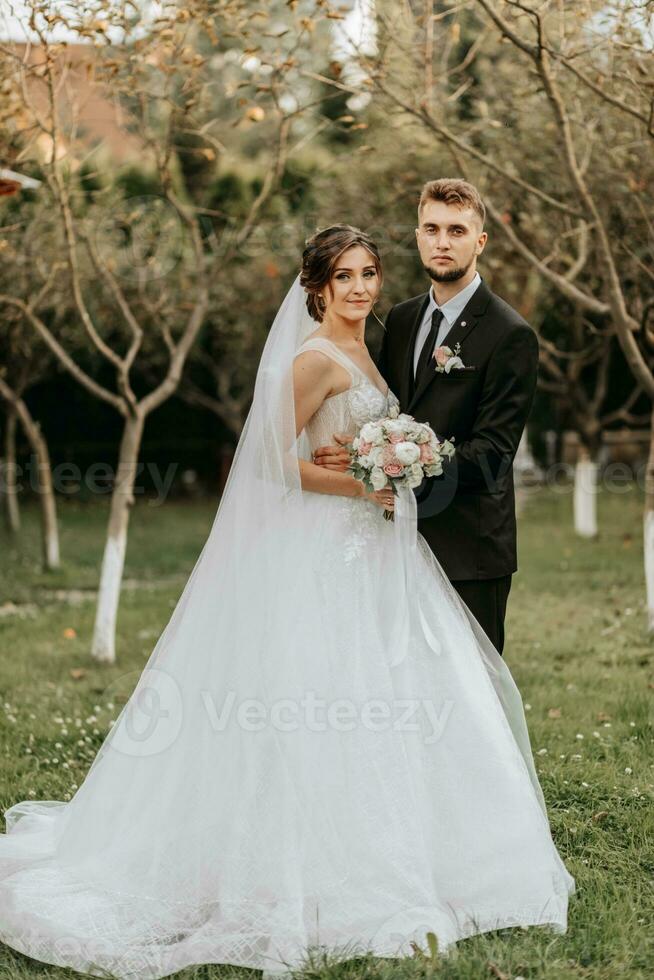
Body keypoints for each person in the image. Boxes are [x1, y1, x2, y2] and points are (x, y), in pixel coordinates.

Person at [0, 225, 574, 980]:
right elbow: (268, 463)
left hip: (379, 552)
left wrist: (395, 462)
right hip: (327, 552)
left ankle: (443, 852)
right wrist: (366, 481)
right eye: (345, 277)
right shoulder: (314, 358)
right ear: (317, 287)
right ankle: (307, 871)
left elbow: (388, 433)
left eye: (370, 273)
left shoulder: (379, 346)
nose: (362, 288)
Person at [314, 179, 539, 655]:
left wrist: (397, 469)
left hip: (468, 549)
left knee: (472, 693)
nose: (442, 241)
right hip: (392, 542)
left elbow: (493, 456)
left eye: (456, 230)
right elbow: (390, 410)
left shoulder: (509, 334)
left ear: (479, 241)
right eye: (431, 228)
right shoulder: (400, 319)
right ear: (417, 236)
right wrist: (358, 454)